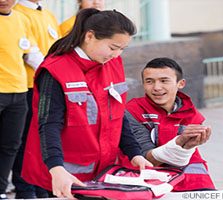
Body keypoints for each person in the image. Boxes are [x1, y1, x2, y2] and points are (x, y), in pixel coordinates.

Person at [21, 8, 151, 199]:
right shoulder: (56, 69)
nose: (116, 55)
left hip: (103, 174)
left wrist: (134, 153)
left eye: (122, 49)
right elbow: (48, 124)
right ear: (89, 36)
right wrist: (56, 168)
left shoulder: (113, 63)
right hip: (63, 175)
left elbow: (117, 113)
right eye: (113, 47)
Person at [119, 57, 216, 191]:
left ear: (180, 84)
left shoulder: (192, 114)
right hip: (149, 179)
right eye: (149, 81)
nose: (157, 87)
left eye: (164, 81)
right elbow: (145, 158)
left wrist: (189, 145)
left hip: (193, 179)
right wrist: (179, 143)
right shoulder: (132, 111)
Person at [13, 0, 60, 198]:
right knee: (24, 142)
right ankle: (25, 188)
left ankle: (40, 186)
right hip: (28, 86)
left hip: (48, 85)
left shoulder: (47, 14)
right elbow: (30, 54)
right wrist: (56, 73)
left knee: (42, 140)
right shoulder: (17, 12)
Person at [0, 0, 41, 199]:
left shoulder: (21, 18)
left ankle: (0, 191)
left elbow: (32, 54)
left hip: (18, 90)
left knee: (11, 145)